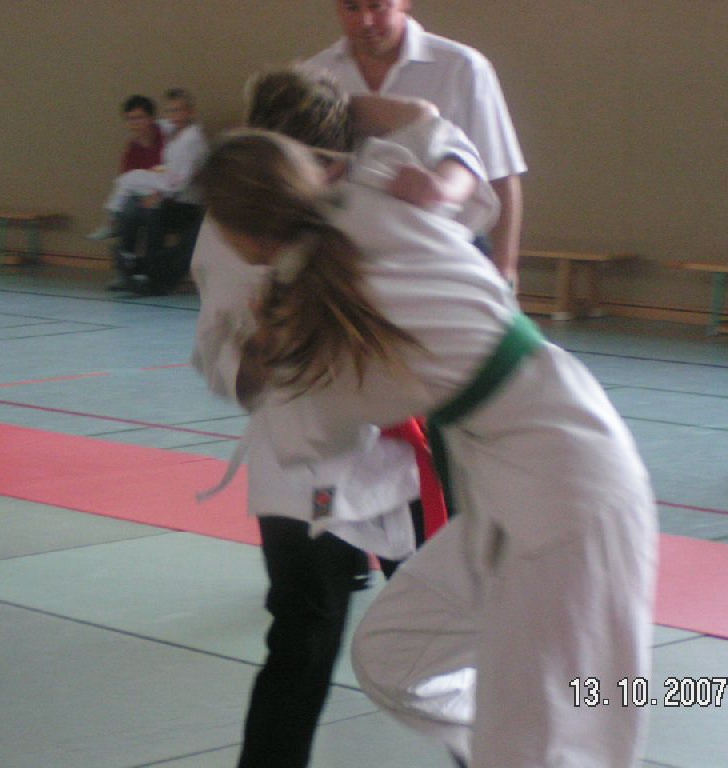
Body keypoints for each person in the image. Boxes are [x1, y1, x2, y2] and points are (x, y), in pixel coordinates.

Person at [197, 130, 657, 768]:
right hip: (533, 465)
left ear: (237, 236)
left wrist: (259, 351)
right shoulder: (377, 196)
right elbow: (440, 134)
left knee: (567, 721)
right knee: (395, 654)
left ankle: (526, 721)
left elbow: (313, 444)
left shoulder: (307, 328)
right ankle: (516, 713)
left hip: (563, 496)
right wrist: (437, 177)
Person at [191, 68, 496, 768]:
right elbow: (218, 353)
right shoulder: (231, 226)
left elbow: (456, 158)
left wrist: (399, 117)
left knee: (450, 632)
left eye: (324, 162)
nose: (316, 178)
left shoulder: (376, 186)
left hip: (405, 453)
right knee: (303, 635)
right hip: (303, 463)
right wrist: (259, 354)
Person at [307, 0, 526, 284]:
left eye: (377, 6)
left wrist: (505, 268)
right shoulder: (314, 76)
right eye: (352, 8)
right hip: (348, 258)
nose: (365, 21)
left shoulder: (462, 67)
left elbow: (500, 174)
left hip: (447, 250)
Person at [91, 88, 208, 293]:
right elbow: (156, 125)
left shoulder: (191, 140)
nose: (174, 116)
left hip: (184, 204)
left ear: (190, 112)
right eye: (170, 111)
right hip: (167, 191)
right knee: (132, 201)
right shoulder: (171, 132)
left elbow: (182, 180)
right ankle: (128, 265)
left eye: (179, 110)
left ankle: (151, 274)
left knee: (151, 209)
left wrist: (160, 194)